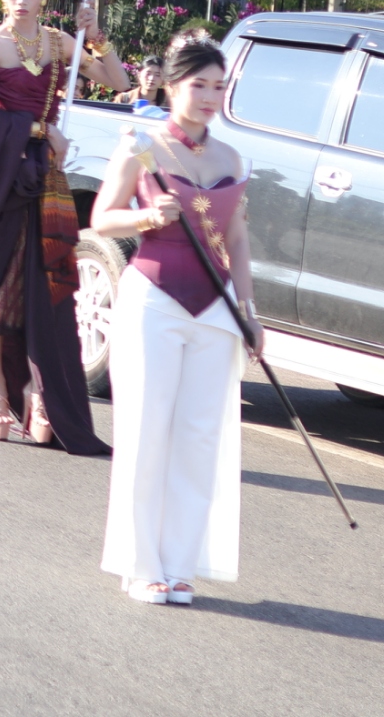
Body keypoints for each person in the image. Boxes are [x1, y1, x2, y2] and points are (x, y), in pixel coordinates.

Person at [90, 34, 255, 606]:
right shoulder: (142, 146)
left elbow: (237, 238)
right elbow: (102, 218)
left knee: (200, 436)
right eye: (198, 85)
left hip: (217, 309)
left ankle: (181, 564)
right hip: (154, 300)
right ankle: (141, 565)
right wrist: (145, 216)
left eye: (218, 86)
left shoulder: (231, 158)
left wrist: (249, 312)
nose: (209, 96)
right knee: (146, 432)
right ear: (171, 85)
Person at [0, 0, 130, 454]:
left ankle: (42, 393)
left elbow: (119, 81)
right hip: (5, 176)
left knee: (49, 291)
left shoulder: (59, 44)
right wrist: (42, 129)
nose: (21, 1)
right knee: (2, 288)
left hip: (48, 180)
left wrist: (96, 36)